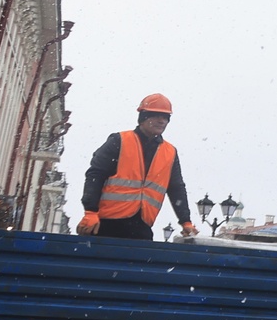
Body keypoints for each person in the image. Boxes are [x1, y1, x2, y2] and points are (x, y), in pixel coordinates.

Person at [77, 94, 194, 242]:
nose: (161, 121)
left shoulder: (170, 152)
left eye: (165, 117)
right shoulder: (119, 140)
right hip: (106, 224)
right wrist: (90, 211)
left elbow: (176, 188)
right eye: (156, 116)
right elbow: (95, 175)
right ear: (144, 117)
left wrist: (186, 221)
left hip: (142, 226)